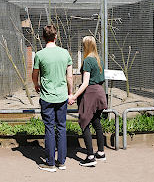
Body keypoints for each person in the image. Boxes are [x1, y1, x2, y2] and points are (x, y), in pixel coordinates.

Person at [32, 25, 73, 172]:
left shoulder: (39, 55)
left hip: (47, 96)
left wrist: (36, 85)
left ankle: (50, 163)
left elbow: (34, 75)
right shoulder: (65, 53)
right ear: (56, 37)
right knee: (61, 127)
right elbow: (69, 76)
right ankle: (61, 162)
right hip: (62, 96)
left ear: (43, 37)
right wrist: (70, 93)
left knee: (49, 128)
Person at [68, 36, 107, 167]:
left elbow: (85, 83)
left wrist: (73, 96)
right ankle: (101, 152)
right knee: (96, 122)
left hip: (91, 94)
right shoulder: (99, 59)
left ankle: (90, 157)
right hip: (100, 93)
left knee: (84, 123)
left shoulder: (88, 60)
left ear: (85, 46)